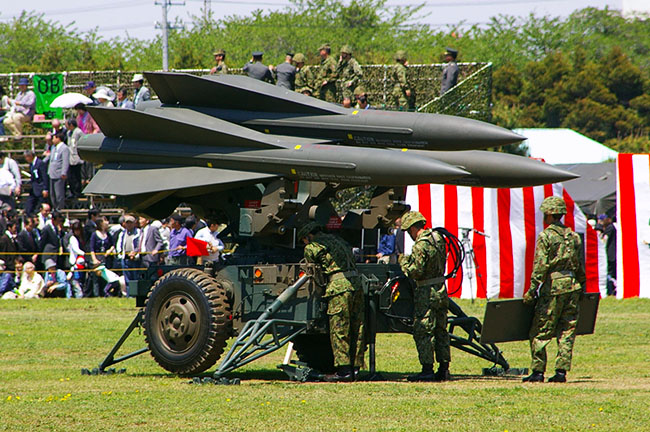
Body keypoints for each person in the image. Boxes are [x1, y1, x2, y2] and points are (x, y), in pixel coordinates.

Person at [522, 196, 586, 383]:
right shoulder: (573, 236)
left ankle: (538, 371)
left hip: (554, 288)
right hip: (573, 286)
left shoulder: (546, 236)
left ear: (549, 214)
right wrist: (582, 286)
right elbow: (580, 266)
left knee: (540, 331)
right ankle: (561, 372)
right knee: (567, 330)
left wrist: (532, 290)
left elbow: (540, 266)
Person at [299, 221, 365, 382]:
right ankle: (355, 368)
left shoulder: (313, 246)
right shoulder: (339, 240)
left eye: (304, 240)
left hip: (339, 288)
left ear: (309, 236)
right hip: (356, 285)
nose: (305, 243)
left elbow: (311, 268)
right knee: (357, 327)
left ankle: (344, 371)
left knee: (339, 328)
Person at [399, 211, 451, 382]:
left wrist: (403, 262)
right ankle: (444, 369)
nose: (409, 234)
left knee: (423, 329)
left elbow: (415, 271)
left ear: (413, 228)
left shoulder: (420, 245)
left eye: (408, 231)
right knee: (441, 330)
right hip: (440, 289)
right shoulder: (438, 238)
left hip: (426, 292)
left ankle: (427, 370)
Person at [88, 217, 114, 297]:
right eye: (105, 221)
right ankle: (96, 295)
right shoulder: (94, 234)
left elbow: (113, 245)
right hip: (97, 257)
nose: (107, 222)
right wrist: (94, 259)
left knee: (105, 277)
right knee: (96, 278)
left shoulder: (108, 234)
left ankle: (105, 293)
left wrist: (109, 250)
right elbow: (92, 248)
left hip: (105, 258)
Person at [47, 130, 70, 210]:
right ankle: (54, 208)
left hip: (59, 173)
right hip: (52, 173)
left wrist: (64, 172)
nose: (52, 140)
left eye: (54, 138)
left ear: (58, 138)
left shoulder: (64, 148)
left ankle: (59, 209)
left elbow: (65, 161)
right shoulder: (54, 148)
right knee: (52, 194)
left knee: (59, 194)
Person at [115, 214, 141, 286]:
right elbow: (119, 245)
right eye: (127, 223)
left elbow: (140, 244)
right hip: (125, 258)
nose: (129, 225)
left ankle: (135, 292)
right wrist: (120, 255)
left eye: (131, 223)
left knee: (135, 278)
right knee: (127, 279)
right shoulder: (122, 233)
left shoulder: (139, 232)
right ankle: (128, 292)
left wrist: (135, 253)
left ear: (134, 223)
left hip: (135, 259)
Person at [23, 150, 49, 216]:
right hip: (34, 188)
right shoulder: (31, 164)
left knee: (39, 207)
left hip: (40, 188)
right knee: (28, 207)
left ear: (30, 156)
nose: (26, 159)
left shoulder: (40, 163)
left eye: (26, 157)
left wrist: (45, 189)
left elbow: (44, 177)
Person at [597, 214, 617, 296]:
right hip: (611, 254)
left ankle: (612, 289)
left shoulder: (610, 228)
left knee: (610, 274)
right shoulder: (611, 227)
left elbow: (605, 241)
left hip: (610, 254)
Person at [65, 119, 84, 198]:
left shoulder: (78, 132)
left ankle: (78, 192)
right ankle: (72, 192)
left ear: (71, 125)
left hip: (77, 157)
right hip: (70, 158)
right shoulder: (68, 133)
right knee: (70, 177)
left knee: (77, 176)